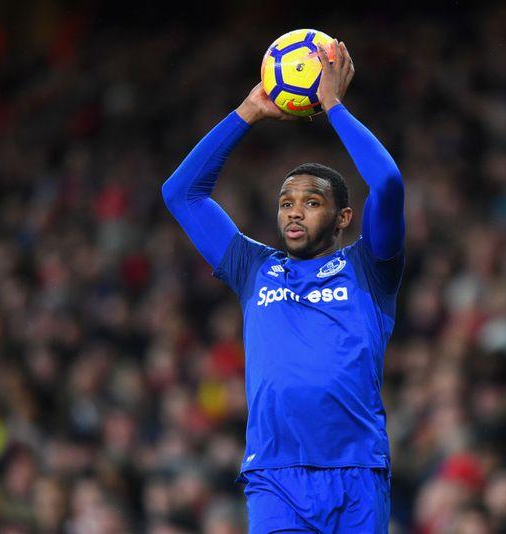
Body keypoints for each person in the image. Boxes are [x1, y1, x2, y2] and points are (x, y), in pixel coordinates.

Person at [162, 40, 405, 533]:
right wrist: (247, 112)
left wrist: (333, 106)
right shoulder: (254, 268)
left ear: (343, 217)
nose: (294, 212)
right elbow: (181, 194)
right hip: (275, 477)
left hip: (357, 471)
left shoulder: (370, 268)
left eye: (311, 202)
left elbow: (388, 184)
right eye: (285, 202)